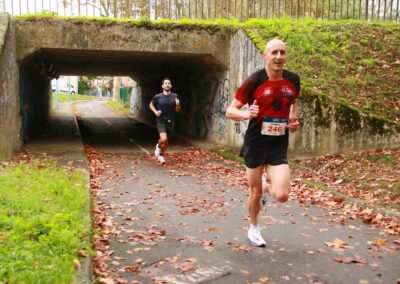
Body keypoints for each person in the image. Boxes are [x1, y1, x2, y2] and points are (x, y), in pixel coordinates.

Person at [226, 39, 300, 247]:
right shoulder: (254, 81)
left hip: (278, 144)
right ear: (265, 56)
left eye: (282, 52)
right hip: (255, 143)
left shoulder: (293, 79)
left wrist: (293, 121)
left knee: (283, 195)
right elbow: (230, 111)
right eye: (274, 52)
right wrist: (247, 113)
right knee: (255, 192)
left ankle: (267, 188)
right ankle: (254, 228)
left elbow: (293, 102)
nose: (279, 57)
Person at [149, 78, 181, 165]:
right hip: (161, 120)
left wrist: (177, 105)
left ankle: (161, 154)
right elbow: (151, 104)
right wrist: (156, 112)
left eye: (169, 83)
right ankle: (158, 147)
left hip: (171, 121)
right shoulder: (157, 97)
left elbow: (177, 110)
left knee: (166, 143)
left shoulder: (175, 96)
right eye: (165, 83)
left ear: (170, 86)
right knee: (164, 138)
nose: (167, 84)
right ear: (162, 86)